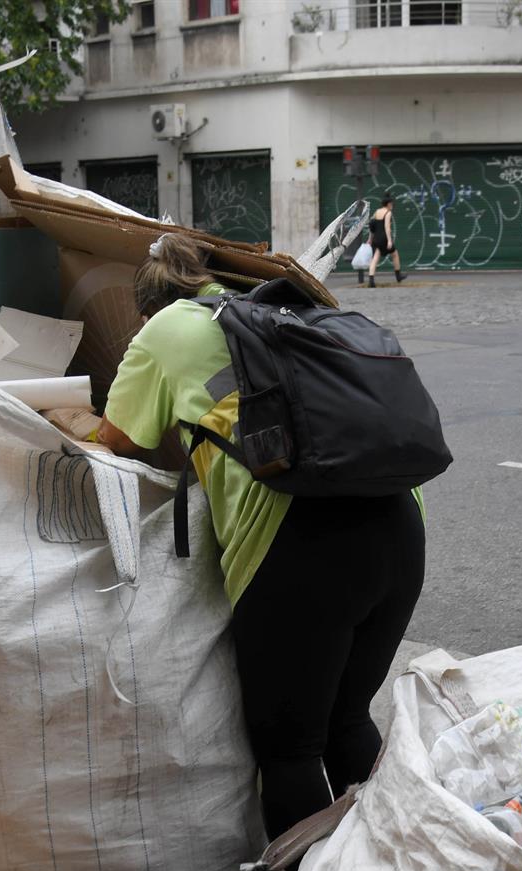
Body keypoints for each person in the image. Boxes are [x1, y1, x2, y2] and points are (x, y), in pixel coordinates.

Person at [94, 235, 426, 839]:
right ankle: (400, 863)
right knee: (348, 719)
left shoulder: (166, 328)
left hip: (300, 539)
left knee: (290, 748)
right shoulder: (283, 310)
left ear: (148, 306)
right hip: (400, 522)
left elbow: (117, 440)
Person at [365, 195, 403, 287]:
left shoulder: (377, 212)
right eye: (392, 204)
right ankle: (398, 276)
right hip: (384, 238)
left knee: (375, 258)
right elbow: (387, 227)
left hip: (376, 238)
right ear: (388, 204)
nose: (392, 205)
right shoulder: (388, 213)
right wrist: (389, 241)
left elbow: (372, 226)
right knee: (395, 254)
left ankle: (371, 280)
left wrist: (370, 239)